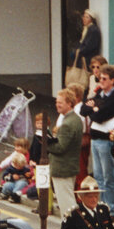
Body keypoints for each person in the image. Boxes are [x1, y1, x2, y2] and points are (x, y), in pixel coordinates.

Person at [80, 66, 114, 214]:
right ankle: (100, 205)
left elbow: (101, 116)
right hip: (95, 139)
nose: (101, 81)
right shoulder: (100, 94)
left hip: (106, 140)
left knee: (107, 176)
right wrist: (95, 109)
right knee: (97, 176)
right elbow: (83, 110)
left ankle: (110, 207)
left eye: (105, 79)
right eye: (100, 78)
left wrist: (95, 109)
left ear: (112, 80)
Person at [48, 88, 84, 217]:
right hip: (69, 167)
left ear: (69, 103)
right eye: (57, 102)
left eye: (60, 102)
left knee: (67, 205)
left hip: (62, 168)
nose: (57, 104)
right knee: (68, 202)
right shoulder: (76, 119)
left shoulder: (67, 124)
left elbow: (60, 147)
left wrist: (45, 144)